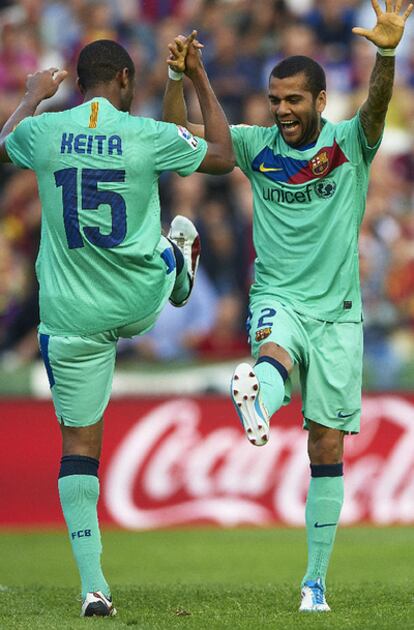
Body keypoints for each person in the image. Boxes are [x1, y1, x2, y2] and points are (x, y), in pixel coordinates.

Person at [163, 0, 412, 613]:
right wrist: (186, 77)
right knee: (271, 354)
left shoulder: (350, 143)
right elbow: (173, 138)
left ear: (320, 102)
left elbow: (377, 108)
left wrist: (385, 54)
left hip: (341, 314)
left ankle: (314, 584)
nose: (282, 111)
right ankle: (259, 391)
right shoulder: (254, 145)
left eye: (293, 100)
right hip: (278, 296)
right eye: (275, 100)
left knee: (326, 448)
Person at [0, 37, 234, 617]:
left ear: (79, 86)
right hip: (139, 301)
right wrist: (194, 76)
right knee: (172, 226)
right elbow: (223, 155)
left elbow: (5, 143)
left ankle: (94, 587)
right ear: (127, 81)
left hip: (71, 316)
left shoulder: (45, 132)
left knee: (79, 449)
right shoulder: (146, 135)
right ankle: (179, 268)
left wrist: (31, 95)